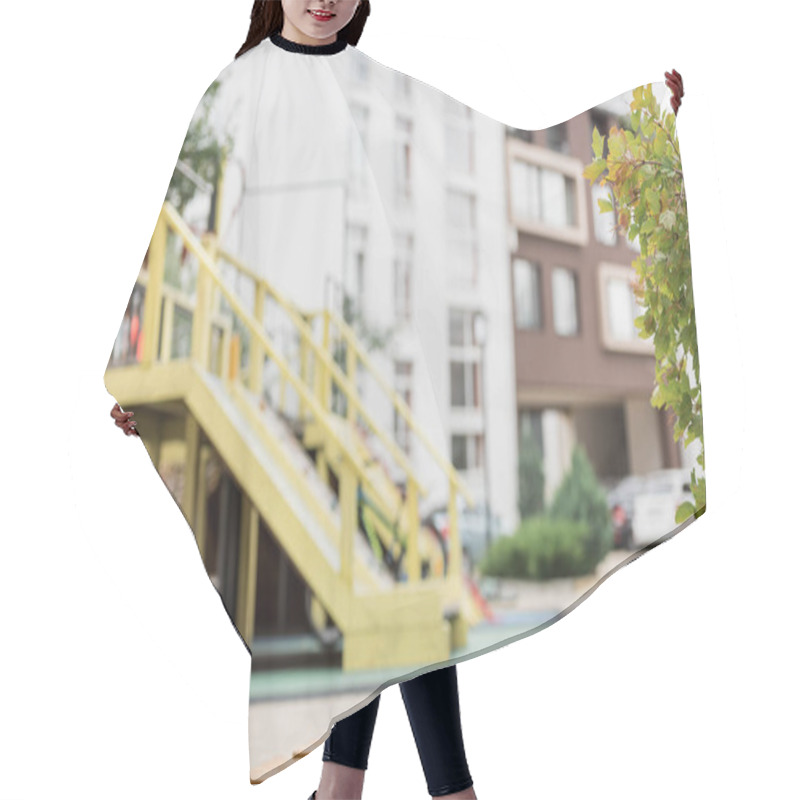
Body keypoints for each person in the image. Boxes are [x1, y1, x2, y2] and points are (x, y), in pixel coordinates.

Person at [110, 2, 686, 798]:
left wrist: (641, 124)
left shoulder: (374, 85)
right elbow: (191, 226)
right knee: (393, 601)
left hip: (355, 385)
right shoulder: (235, 90)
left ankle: (348, 790)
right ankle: (432, 792)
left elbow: (500, 142)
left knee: (392, 598)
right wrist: (145, 352)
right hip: (270, 373)